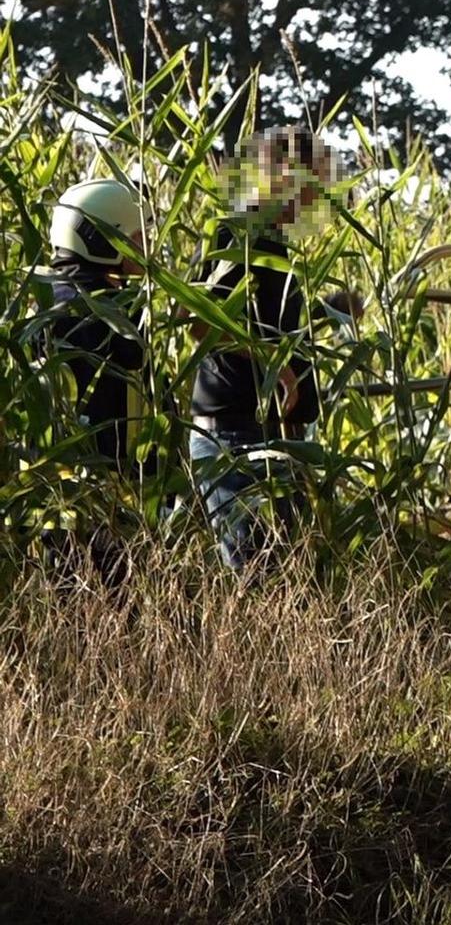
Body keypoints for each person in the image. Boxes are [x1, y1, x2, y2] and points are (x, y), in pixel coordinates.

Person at [188, 126, 340, 571]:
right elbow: (200, 322)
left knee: (284, 570)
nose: (316, 194)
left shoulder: (274, 242)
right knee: (255, 570)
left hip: (268, 434)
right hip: (235, 434)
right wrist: (277, 368)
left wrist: (330, 313)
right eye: (311, 180)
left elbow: (267, 324)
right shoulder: (238, 235)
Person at [34, 177, 152, 586]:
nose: (146, 245)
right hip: (106, 493)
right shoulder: (108, 313)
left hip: (50, 497)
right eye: (137, 235)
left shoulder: (44, 302)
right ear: (104, 238)